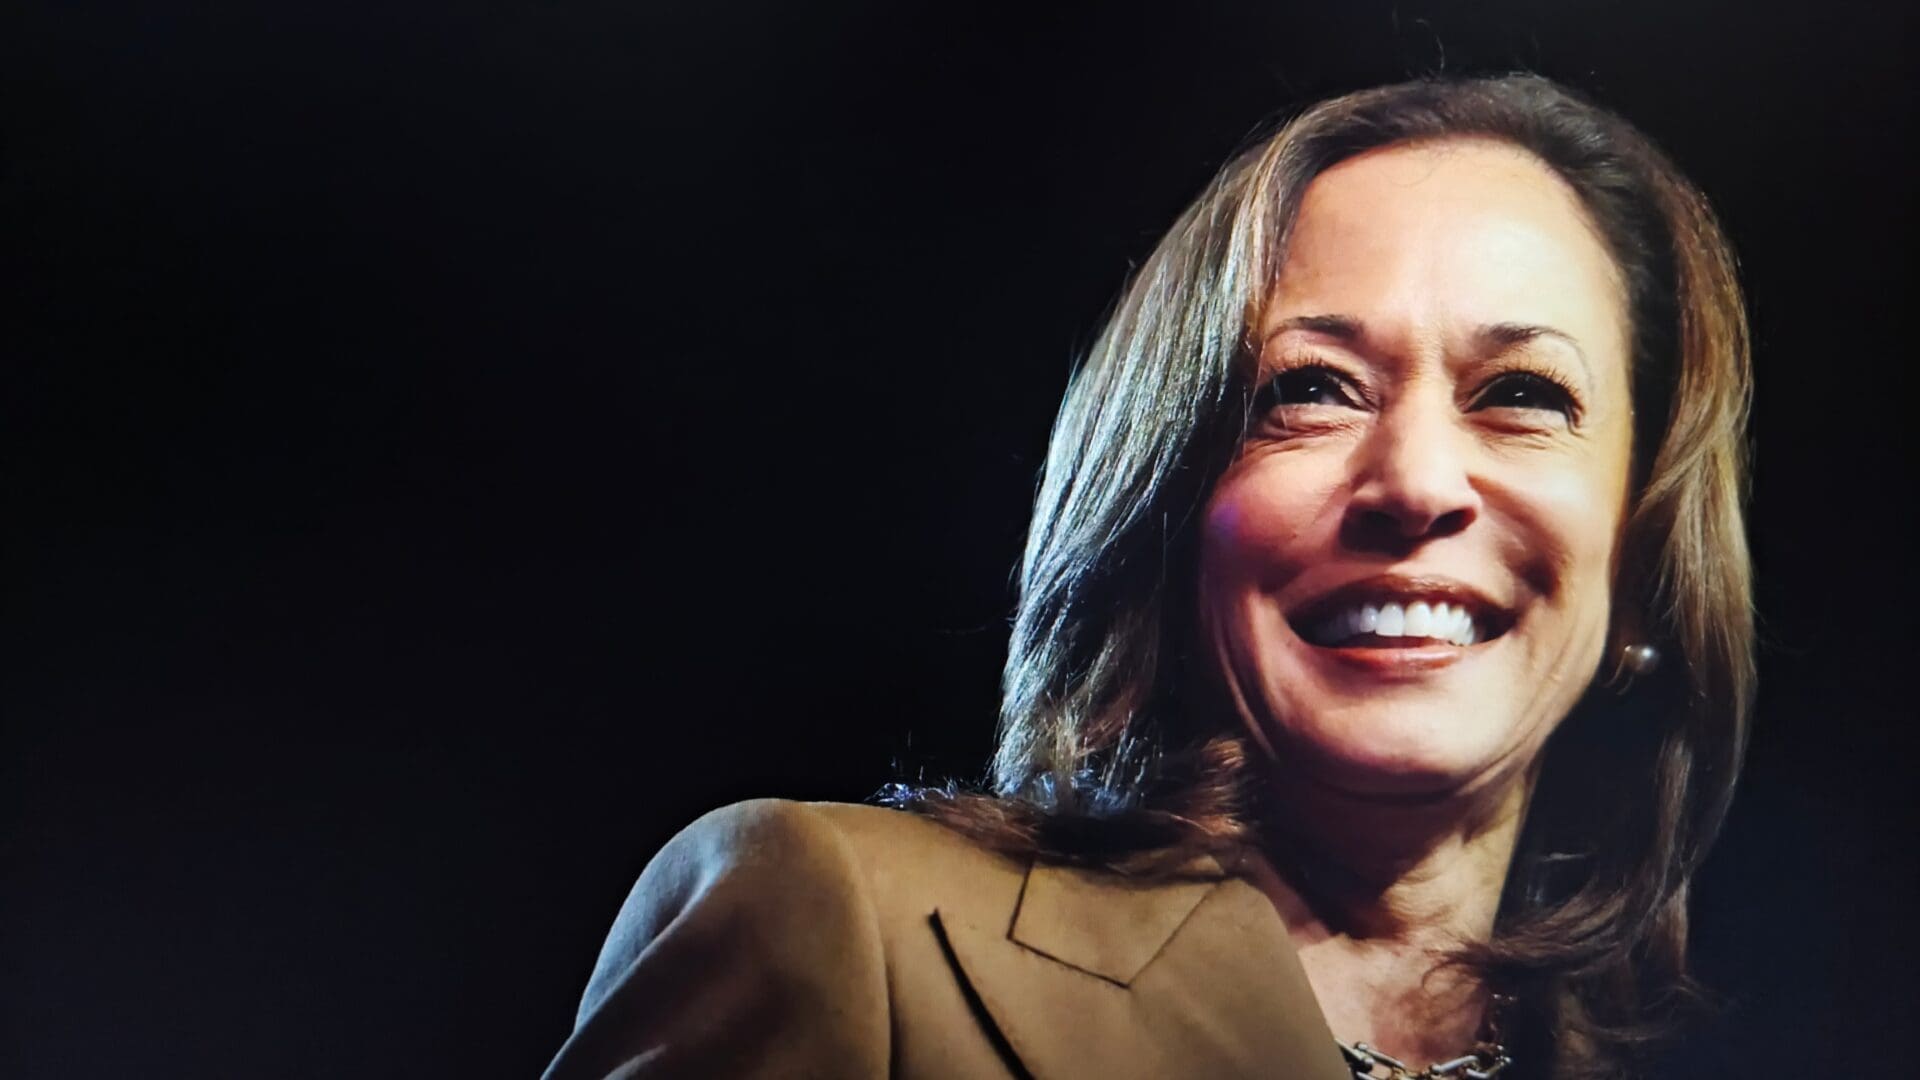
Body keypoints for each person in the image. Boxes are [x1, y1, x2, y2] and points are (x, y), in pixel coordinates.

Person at [543, 72, 1754, 1080]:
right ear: (1162, 511)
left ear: (1642, 562)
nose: (1416, 482)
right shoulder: (845, 927)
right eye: (1309, 390)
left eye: (1523, 398)